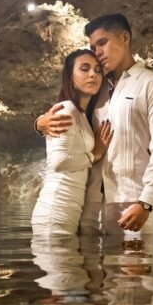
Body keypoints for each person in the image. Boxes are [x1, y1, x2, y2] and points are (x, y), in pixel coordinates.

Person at [35, 14, 153, 240]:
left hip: (131, 204)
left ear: (124, 38)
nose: (97, 52)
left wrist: (146, 203)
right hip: (89, 208)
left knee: (133, 274)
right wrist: (39, 124)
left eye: (103, 43)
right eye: (93, 46)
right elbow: (69, 114)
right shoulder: (97, 90)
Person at [31, 49, 113, 237]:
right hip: (56, 208)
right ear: (70, 76)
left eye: (97, 70)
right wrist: (95, 155)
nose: (93, 74)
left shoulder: (81, 114)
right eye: (84, 69)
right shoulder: (66, 110)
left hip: (68, 208)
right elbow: (59, 162)